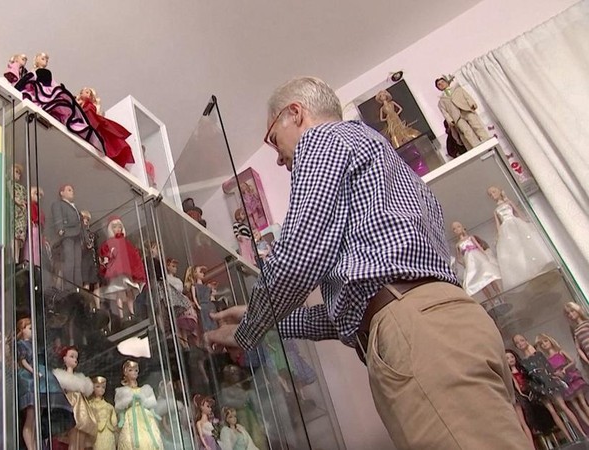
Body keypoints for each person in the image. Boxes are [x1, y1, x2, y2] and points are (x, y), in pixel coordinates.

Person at [205, 76, 530, 450]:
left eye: (273, 139)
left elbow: (300, 254)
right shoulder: (384, 162)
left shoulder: (322, 139)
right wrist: (265, 322)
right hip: (452, 322)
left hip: (417, 333)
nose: (278, 157)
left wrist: (248, 332)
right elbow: (353, 303)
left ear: (295, 113)